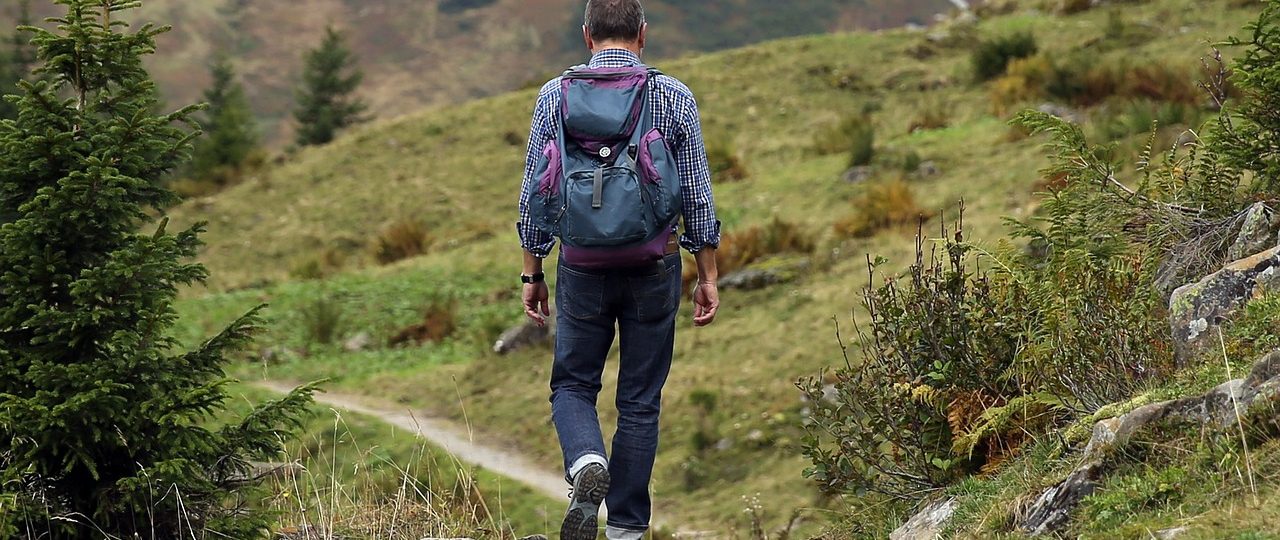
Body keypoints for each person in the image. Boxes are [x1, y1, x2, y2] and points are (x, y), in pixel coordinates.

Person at [516, 1, 721, 538]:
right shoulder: (671, 96)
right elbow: (696, 193)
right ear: (643, 35)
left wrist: (532, 272)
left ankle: (586, 461)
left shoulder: (552, 97)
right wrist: (708, 274)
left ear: (587, 36)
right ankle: (627, 527)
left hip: (581, 265)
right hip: (653, 263)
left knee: (573, 386)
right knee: (639, 400)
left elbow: (534, 194)